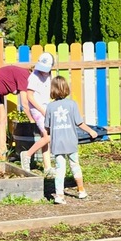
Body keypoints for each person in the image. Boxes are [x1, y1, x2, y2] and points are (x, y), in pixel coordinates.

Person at [44, 75, 97, 204]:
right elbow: (79, 123)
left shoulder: (50, 107)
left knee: (59, 169)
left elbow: (47, 127)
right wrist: (91, 131)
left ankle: (59, 195)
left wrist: (49, 135)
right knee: (75, 165)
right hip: (71, 141)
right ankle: (81, 190)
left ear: (52, 90)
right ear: (66, 88)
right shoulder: (72, 104)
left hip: (57, 143)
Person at [0, 61, 39, 158]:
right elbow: (25, 103)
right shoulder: (25, 76)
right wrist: (32, 121)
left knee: (3, 120)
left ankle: (3, 150)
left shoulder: (26, 75)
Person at [19, 53, 56, 174]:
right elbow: (30, 96)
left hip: (46, 107)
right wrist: (42, 110)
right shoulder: (34, 77)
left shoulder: (50, 75)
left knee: (44, 136)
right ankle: (27, 154)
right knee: (48, 136)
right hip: (37, 109)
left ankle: (47, 167)